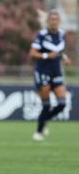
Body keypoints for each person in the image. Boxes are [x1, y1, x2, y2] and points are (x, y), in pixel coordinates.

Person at [29, 10, 71, 141]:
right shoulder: (42, 35)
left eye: (56, 19)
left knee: (62, 103)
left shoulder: (62, 35)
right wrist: (46, 55)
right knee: (46, 105)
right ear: (48, 21)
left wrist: (64, 57)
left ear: (59, 21)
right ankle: (39, 132)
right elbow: (32, 53)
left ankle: (44, 119)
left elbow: (60, 51)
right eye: (51, 19)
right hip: (43, 72)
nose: (54, 21)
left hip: (56, 72)